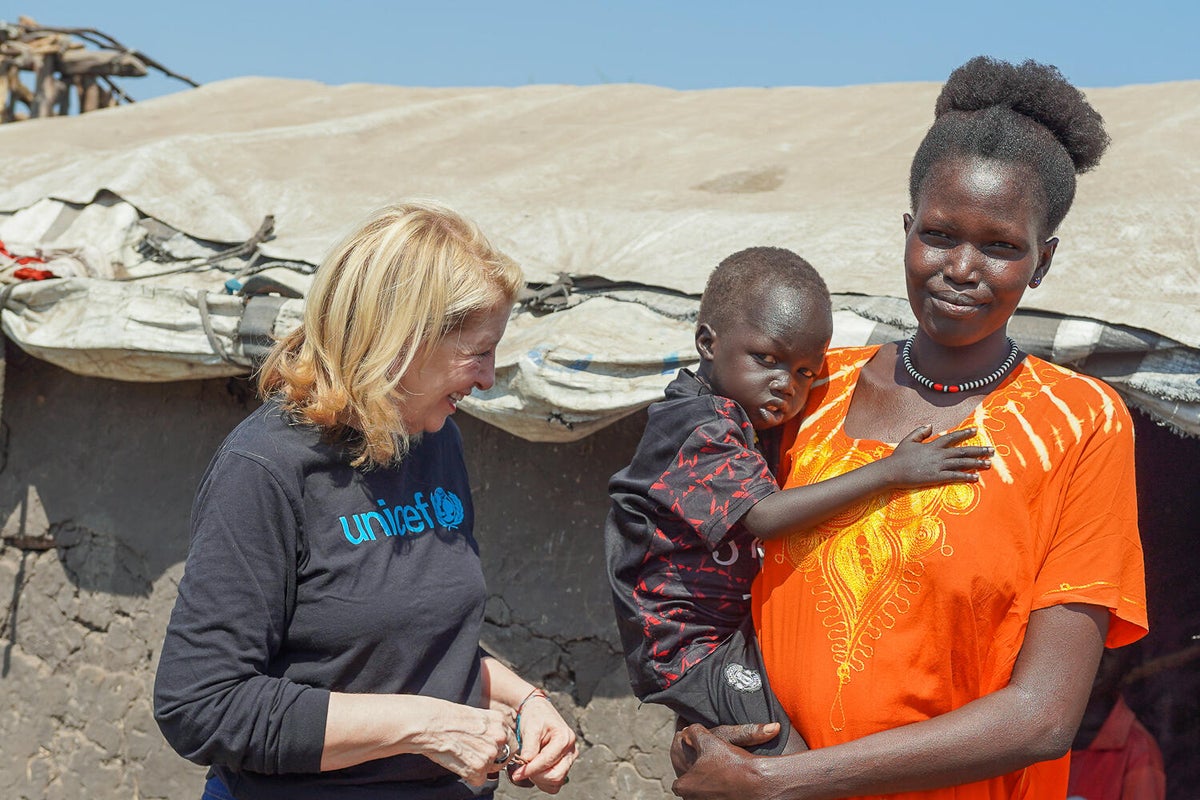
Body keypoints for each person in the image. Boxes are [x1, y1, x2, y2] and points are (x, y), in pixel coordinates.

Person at [670, 56, 1148, 800]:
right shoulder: (806, 388)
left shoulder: (1078, 425)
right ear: (906, 230)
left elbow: (1043, 718)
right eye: (938, 234)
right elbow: (699, 573)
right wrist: (713, 722)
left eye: (1001, 246)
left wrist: (780, 780)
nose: (961, 267)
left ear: (1043, 261)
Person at [153, 201, 577, 800]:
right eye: (477, 352)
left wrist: (525, 701)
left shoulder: (435, 440)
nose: (487, 378)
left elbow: (411, 647)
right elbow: (201, 703)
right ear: (400, 342)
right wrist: (425, 727)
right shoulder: (267, 470)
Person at [606, 246, 992, 756]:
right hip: (689, 648)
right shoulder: (696, 424)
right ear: (707, 342)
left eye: (807, 373)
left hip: (728, 638)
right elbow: (764, 517)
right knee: (783, 757)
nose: (785, 385)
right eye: (767, 359)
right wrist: (891, 472)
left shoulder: (743, 419)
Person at [1067, 648, 1165, 800]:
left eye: (1107, 652)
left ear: (1128, 666)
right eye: (1091, 647)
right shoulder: (1040, 729)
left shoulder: (1138, 749)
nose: (1095, 659)